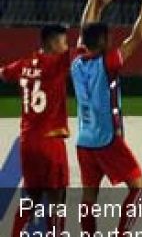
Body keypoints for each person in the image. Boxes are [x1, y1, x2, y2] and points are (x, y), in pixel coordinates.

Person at [71, 0, 142, 236]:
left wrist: (93, 0)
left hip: (85, 140)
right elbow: (137, 36)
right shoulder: (108, 62)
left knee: (89, 196)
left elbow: (84, 33)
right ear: (103, 42)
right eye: (107, 38)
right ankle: (122, 233)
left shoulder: (77, 62)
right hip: (108, 140)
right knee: (140, 188)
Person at [1, 23, 71, 237]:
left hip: (28, 142)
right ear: (51, 43)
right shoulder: (57, 63)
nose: (67, 46)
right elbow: (85, 42)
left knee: (30, 198)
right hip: (50, 141)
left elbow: (3, 73)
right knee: (57, 198)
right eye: (63, 42)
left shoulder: (23, 64)